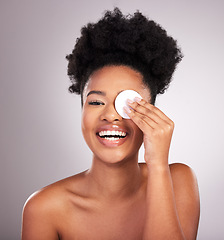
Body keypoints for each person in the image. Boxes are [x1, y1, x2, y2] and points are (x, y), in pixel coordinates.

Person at [21, 8, 200, 240]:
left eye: (127, 103)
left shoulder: (179, 180)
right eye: (96, 102)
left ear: (152, 112)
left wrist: (157, 163)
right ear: (82, 110)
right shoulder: (43, 208)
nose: (111, 115)